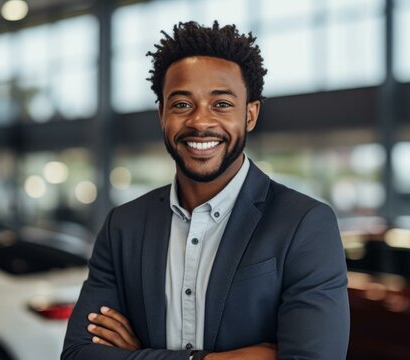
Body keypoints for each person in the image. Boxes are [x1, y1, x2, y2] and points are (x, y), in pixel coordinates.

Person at [62, 21, 349, 360]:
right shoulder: (123, 226)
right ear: (162, 114)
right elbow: (79, 354)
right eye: (182, 104)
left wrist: (140, 355)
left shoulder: (305, 225)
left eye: (222, 104)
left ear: (251, 114)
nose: (200, 121)